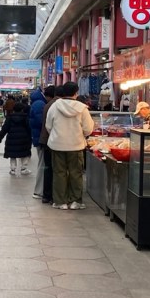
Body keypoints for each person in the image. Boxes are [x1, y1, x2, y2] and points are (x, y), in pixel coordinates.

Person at [45, 80, 94, 210]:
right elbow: (88, 129)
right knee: (76, 173)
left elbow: (48, 126)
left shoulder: (54, 106)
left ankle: (60, 201)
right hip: (76, 146)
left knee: (59, 173)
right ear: (76, 93)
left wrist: (57, 135)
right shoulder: (82, 109)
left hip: (57, 145)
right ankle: (75, 201)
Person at [29, 85, 55, 200]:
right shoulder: (40, 104)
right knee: (42, 165)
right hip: (41, 138)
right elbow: (43, 123)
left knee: (42, 164)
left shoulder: (38, 102)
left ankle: (40, 190)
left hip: (39, 137)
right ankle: (39, 191)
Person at [0, 97, 32, 176]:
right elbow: (29, 128)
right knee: (25, 153)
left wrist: (0, 137)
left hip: (12, 139)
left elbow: (4, 128)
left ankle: (13, 169)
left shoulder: (9, 118)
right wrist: (31, 137)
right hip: (24, 139)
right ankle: (24, 168)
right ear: (22, 109)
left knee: (12, 154)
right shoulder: (25, 118)